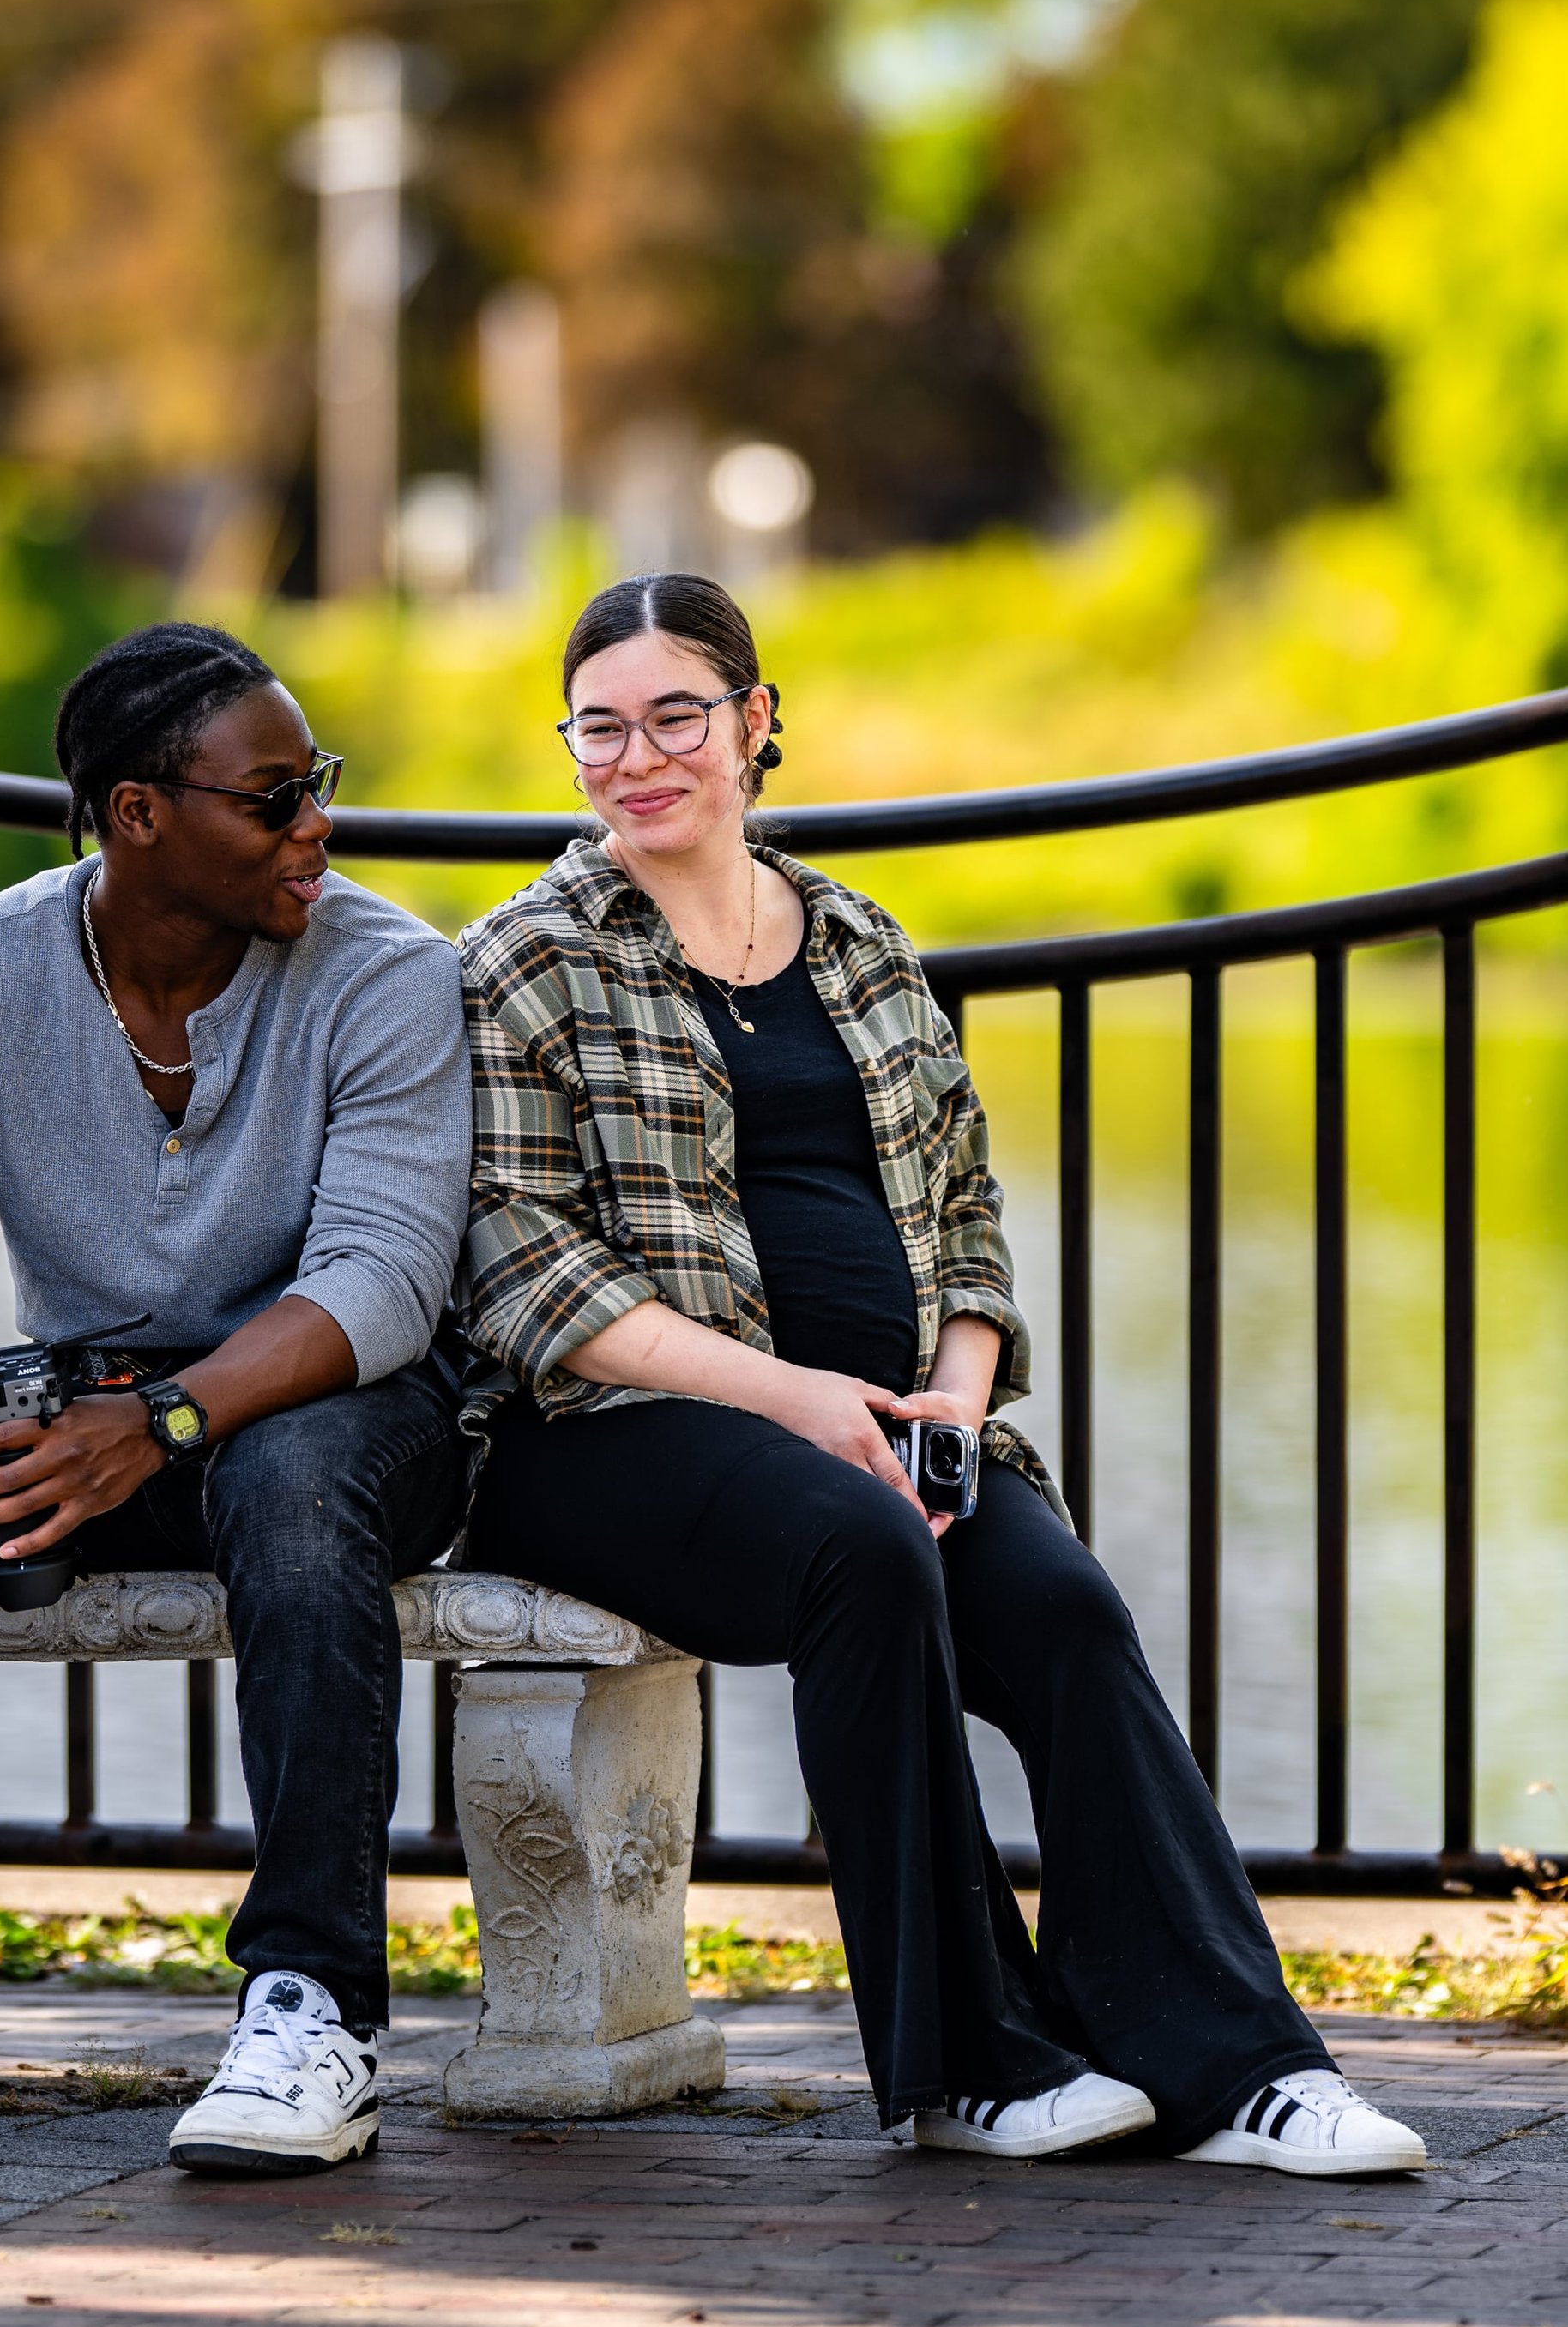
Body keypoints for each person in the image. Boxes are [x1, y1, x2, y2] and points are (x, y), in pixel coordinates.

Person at [457, 571, 1423, 2178]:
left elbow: (965, 1205)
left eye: (678, 716)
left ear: (757, 724)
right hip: (619, 1431)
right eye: (600, 727)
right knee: (864, 1549)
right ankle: (966, 2064)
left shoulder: (856, 942)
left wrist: (956, 1400)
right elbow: (528, 1272)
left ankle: (1241, 2067)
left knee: (1062, 1611)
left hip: (891, 1424)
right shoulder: (522, 962)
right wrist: (798, 1401)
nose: (640, 757)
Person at [0, 624, 472, 2179]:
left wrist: (168, 1420)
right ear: (137, 814)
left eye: (318, 784)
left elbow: (381, 1285)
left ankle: (312, 2003)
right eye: (273, 797)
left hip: (347, 1409)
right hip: (88, 1417)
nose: (316, 821)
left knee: (293, 1471)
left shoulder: (387, 977)